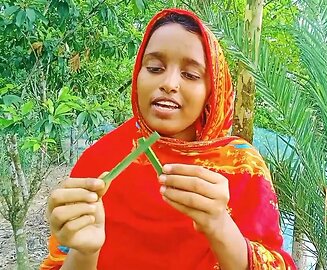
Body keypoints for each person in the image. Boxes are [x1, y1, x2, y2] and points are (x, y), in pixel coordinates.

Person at [41, 8, 296, 270]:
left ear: (212, 89)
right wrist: (83, 252)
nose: (169, 83)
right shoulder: (100, 163)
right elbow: (59, 260)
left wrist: (219, 225)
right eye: (154, 68)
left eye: (190, 75)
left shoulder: (242, 167)